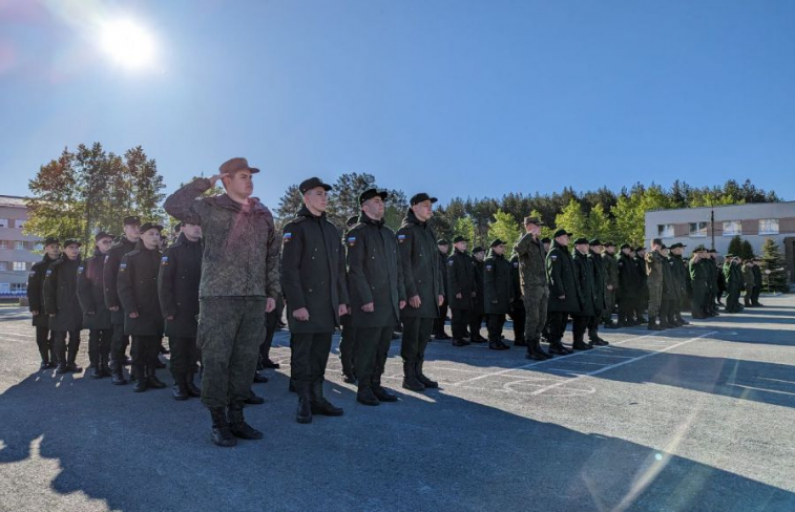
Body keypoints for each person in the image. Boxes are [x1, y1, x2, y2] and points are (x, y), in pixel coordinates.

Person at [164, 157, 280, 447]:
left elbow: (272, 255)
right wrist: (204, 184)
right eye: (242, 176)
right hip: (218, 297)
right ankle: (218, 421)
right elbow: (173, 205)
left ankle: (238, 417)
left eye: (250, 176)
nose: (249, 181)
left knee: (245, 361)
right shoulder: (209, 206)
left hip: (253, 298)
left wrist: (271, 292)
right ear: (227, 179)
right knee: (216, 360)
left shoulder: (262, 212)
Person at [281, 177, 349, 423]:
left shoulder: (332, 230)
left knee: (320, 355)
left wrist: (341, 300)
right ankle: (304, 401)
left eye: (325, 194)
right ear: (306, 197)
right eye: (319, 193)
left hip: (326, 306)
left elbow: (340, 269)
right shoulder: (295, 227)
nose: (324, 197)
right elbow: (288, 270)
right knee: (302, 355)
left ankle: (318, 397)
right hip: (305, 306)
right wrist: (297, 304)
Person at [346, 188, 406, 406]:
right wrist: (365, 298)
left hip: (388, 302)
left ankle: (376, 385)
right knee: (367, 348)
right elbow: (355, 270)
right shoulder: (357, 233)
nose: (382, 205)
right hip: (369, 303)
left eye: (382, 202)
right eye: (377, 201)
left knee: (383, 347)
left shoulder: (389, 234)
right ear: (364, 206)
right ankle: (364, 389)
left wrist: (400, 294)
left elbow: (398, 267)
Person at [396, 192, 444, 391]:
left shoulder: (429, 232)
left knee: (423, 337)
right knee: (412, 337)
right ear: (414, 207)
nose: (429, 209)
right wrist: (411, 292)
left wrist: (439, 290)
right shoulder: (407, 231)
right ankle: (409, 377)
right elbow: (403, 265)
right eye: (425, 205)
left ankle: (418, 372)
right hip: (415, 297)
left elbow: (436, 265)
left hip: (429, 295)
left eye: (430, 205)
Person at [118, 223, 167, 392]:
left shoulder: (162, 257)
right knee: (138, 348)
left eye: (157, 234)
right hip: (138, 310)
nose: (155, 237)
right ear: (142, 236)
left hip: (157, 310)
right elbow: (123, 286)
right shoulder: (130, 257)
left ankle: (151, 376)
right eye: (151, 233)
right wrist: (130, 308)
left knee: (154, 346)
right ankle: (139, 378)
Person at [158, 219, 203, 401]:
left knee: (194, 350)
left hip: (200, 310)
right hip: (178, 310)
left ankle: (190, 382)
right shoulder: (172, 252)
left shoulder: (205, 249)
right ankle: (179, 384)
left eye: (199, 224)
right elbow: (164, 284)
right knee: (178, 350)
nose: (197, 227)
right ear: (183, 227)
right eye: (192, 224)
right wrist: (168, 310)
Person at [104, 215, 141, 385]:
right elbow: (108, 278)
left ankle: (137, 371)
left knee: (139, 338)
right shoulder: (116, 250)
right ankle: (116, 370)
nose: (135, 229)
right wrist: (111, 301)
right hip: (120, 302)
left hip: (141, 300)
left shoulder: (144, 246)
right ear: (124, 229)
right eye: (131, 226)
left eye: (137, 226)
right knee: (120, 338)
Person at [77, 232, 115, 379]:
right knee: (94, 338)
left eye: (111, 241)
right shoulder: (88, 262)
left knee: (108, 338)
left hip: (111, 306)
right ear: (97, 244)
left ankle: (105, 364)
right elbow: (82, 288)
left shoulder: (115, 260)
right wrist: (88, 307)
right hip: (95, 307)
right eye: (105, 242)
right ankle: (94, 366)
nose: (108, 244)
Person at [44, 239, 84, 373]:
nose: (74, 250)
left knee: (75, 338)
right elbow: (48, 289)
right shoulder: (55, 266)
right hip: (59, 309)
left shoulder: (83, 265)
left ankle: (71, 362)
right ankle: (61, 363)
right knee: (59, 339)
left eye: (76, 248)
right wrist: (50, 308)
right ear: (64, 249)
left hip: (77, 309)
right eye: (71, 247)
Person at [514, 216, 551, 360]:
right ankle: (530, 349)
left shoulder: (539, 243)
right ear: (528, 226)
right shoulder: (525, 241)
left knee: (542, 318)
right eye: (537, 225)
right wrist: (529, 235)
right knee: (532, 318)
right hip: (530, 287)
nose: (540, 227)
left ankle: (537, 346)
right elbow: (518, 249)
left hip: (542, 285)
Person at [28, 237, 60, 370]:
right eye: (52, 246)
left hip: (59, 307)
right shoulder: (38, 267)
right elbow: (32, 288)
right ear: (46, 248)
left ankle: (54, 359)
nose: (55, 248)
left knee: (57, 336)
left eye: (57, 246)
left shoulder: (63, 264)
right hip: (41, 307)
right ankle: (44, 360)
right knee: (41, 337)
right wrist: (34, 306)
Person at [545, 230, 578, 355]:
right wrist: (559, 291)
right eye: (565, 237)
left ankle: (558, 343)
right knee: (556, 321)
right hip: (558, 295)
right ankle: (554, 345)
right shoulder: (555, 253)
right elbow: (553, 274)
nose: (568, 239)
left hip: (566, 294)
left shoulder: (564, 253)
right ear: (558, 238)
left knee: (563, 320)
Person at [339, 215, 360, 383]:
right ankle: (347, 369)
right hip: (350, 301)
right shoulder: (345, 246)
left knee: (362, 337)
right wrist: (346, 302)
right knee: (349, 337)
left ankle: (357, 367)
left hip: (365, 301)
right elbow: (342, 276)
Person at [483, 239, 513, 351]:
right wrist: (492, 297)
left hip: (503, 297)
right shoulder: (490, 261)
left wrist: (510, 294)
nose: (503, 248)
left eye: (503, 246)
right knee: (494, 321)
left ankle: (498, 340)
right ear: (494, 247)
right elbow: (488, 281)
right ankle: (493, 341)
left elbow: (508, 281)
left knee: (501, 320)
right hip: (495, 298)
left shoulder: (503, 261)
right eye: (500, 246)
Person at [447, 236, 475, 347]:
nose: (464, 245)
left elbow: (471, 276)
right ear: (455, 245)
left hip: (467, 293)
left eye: (465, 243)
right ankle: (456, 338)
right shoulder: (452, 259)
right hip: (457, 294)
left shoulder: (467, 258)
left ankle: (461, 337)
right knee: (457, 317)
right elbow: (451, 277)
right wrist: (456, 291)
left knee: (464, 317)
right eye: (462, 243)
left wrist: (473, 289)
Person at [571, 238, 595, 351]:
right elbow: (576, 281)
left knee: (585, 320)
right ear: (577, 246)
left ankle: (580, 341)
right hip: (580, 296)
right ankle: (577, 342)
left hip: (587, 295)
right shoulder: (576, 260)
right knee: (579, 321)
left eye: (587, 244)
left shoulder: (585, 259)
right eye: (585, 244)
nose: (587, 246)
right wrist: (580, 296)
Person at [587, 239, 608, 345]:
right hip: (594, 293)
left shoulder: (598, 258)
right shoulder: (590, 259)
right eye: (598, 246)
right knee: (593, 315)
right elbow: (591, 278)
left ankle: (594, 335)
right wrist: (594, 293)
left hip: (600, 292)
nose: (601, 248)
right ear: (591, 247)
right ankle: (592, 337)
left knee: (598, 314)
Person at [616, 244, 639, 327]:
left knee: (630, 305)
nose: (628, 250)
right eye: (626, 249)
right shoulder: (621, 259)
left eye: (629, 249)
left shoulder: (630, 259)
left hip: (631, 286)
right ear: (622, 249)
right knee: (623, 305)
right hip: (624, 287)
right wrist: (622, 286)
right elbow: (619, 274)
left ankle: (629, 319)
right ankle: (621, 321)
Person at [645, 239, 665, 331]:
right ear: (655, 245)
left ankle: (654, 321)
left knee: (657, 302)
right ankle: (651, 323)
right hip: (653, 282)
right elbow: (649, 260)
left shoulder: (658, 255)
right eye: (659, 245)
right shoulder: (651, 254)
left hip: (658, 282)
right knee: (653, 302)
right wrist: (655, 251)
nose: (660, 247)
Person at [433, 239, 452, 340]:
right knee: (439, 312)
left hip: (445, 288)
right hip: (439, 289)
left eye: (447, 246)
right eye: (444, 246)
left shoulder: (445, 257)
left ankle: (441, 331)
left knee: (443, 312)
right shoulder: (436, 257)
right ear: (439, 246)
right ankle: (438, 332)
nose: (446, 248)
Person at [507, 252, 527, 348]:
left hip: (527, 295)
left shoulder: (527, 258)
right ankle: (519, 338)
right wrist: (519, 294)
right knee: (519, 318)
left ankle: (522, 337)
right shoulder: (515, 259)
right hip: (518, 296)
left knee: (524, 318)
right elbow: (514, 279)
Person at [668, 243, 690, 326]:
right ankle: (672, 319)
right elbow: (672, 275)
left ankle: (678, 318)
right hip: (674, 286)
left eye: (681, 249)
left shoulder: (678, 259)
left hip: (680, 284)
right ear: (672, 250)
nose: (681, 250)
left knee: (678, 302)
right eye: (678, 249)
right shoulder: (671, 259)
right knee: (673, 303)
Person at [469, 246, 487, 343]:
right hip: (474, 294)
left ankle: (477, 334)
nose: (483, 255)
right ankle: (474, 335)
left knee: (479, 315)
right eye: (480, 253)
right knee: (474, 316)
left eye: (483, 253)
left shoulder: (482, 264)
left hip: (482, 293)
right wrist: (473, 290)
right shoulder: (472, 264)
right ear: (475, 254)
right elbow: (471, 279)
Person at [601, 242, 619, 329]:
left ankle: (609, 319)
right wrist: (608, 283)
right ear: (606, 247)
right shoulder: (605, 257)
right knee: (607, 303)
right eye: (612, 247)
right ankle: (606, 321)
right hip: (608, 285)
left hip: (614, 284)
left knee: (612, 303)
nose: (614, 248)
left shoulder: (613, 257)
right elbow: (604, 271)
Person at [689, 246, 711, 319]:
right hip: (696, 282)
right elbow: (694, 261)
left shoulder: (701, 261)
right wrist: (697, 255)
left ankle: (700, 313)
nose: (702, 254)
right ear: (696, 253)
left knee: (701, 298)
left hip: (702, 281)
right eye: (700, 253)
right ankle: (695, 314)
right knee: (697, 299)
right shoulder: (693, 260)